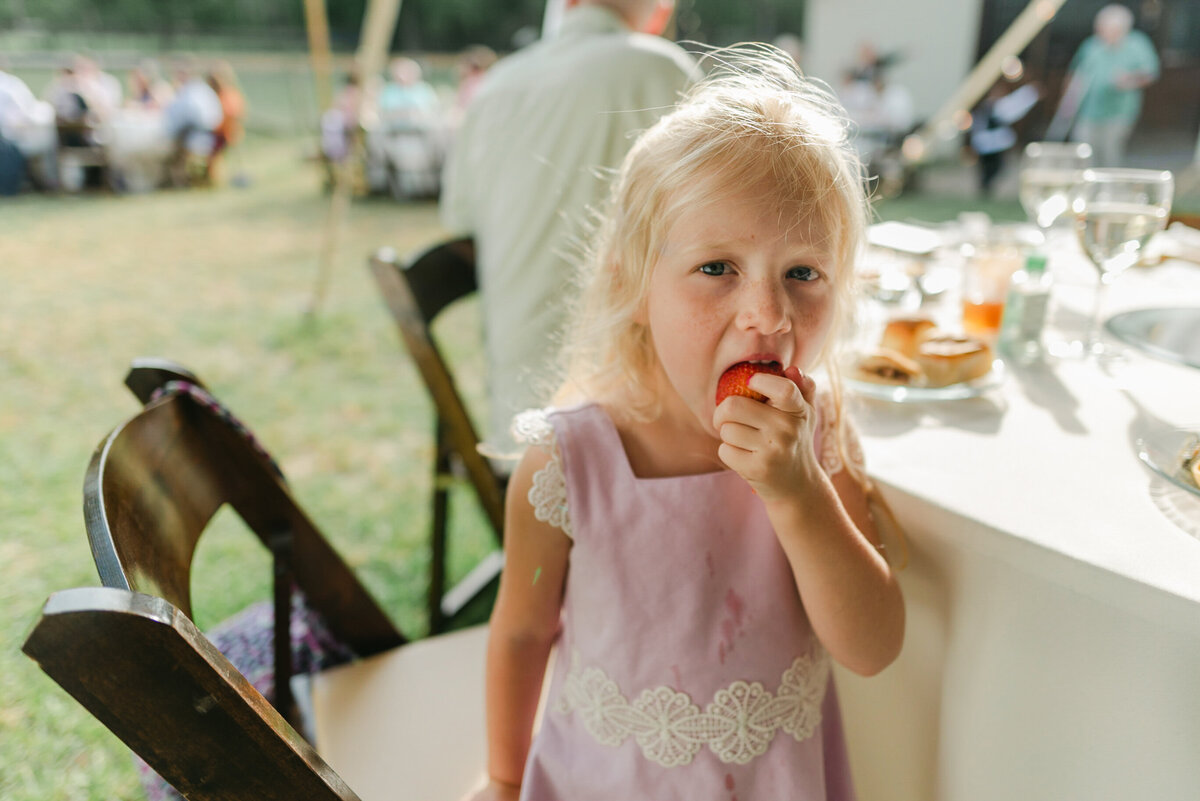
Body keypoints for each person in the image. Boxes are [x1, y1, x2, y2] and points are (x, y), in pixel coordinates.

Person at [467, 47, 906, 801]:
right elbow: (521, 631)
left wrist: (798, 493)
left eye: (803, 272)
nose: (768, 316)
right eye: (717, 268)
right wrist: (505, 780)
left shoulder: (818, 436)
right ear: (634, 283)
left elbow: (871, 645)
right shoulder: (567, 463)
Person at [440, 0, 699, 455]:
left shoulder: (493, 87)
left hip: (517, 421)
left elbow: (461, 229)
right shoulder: (660, 69)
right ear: (657, 11)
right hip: (640, 430)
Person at [1063, 3, 1159, 168]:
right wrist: (1067, 103)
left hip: (1119, 112)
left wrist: (1130, 79)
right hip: (1088, 110)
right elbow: (1075, 74)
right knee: (1083, 152)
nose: (1103, 32)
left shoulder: (1137, 44)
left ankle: (1109, 191)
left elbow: (1150, 73)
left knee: (1109, 153)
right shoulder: (1091, 45)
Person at [969, 81, 1039, 196]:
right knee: (987, 169)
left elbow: (1018, 105)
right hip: (985, 145)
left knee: (997, 168)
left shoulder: (1000, 106)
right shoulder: (988, 107)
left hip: (996, 145)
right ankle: (985, 188)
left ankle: (987, 187)